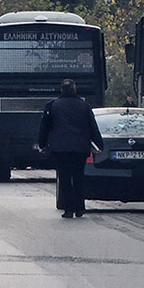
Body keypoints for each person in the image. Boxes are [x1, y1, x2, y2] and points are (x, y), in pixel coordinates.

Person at [38, 79, 103, 218]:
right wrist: (99, 144)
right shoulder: (84, 106)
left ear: (62, 90)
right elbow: (93, 127)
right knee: (79, 177)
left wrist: (42, 144)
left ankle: (68, 209)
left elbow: (45, 127)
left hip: (60, 149)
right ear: (74, 90)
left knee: (65, 178)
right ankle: (80, 207)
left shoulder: (53, 105)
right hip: (80, 149)